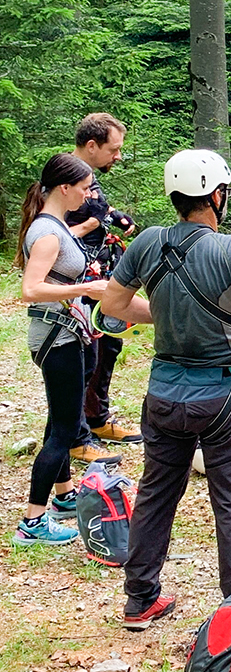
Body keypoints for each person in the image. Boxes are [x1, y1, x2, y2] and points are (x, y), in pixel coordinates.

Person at [101, 150, 231, 630]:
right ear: (216, 196)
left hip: (163, 392)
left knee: (158, 494)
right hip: (223, 394)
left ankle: (139, 599)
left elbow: (114, 307)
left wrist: (165, 312)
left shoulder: (147, 242)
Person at [14, 153, 106, 547]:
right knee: (65, 429)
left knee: (60, 418)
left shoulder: (53, 224)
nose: (88, 195)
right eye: (84, 188)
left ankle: (65, 493)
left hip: (64, 334)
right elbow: (31, 289)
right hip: (57, 338)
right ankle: (33, 522)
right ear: (64, 188)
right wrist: (83, 289)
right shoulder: (49, 233)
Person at [67, 113, 140, 459]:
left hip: (102, 276)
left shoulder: (88, 178)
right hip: (75, 283)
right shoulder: (64, 180)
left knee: (108, 345)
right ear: (92, 146)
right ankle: (76, 437)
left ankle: (96, 418)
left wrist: (114, 216)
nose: (118, 156)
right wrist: (97, 221)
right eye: (114, 149)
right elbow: (53, 228)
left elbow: (97, 207)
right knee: (82, 356)